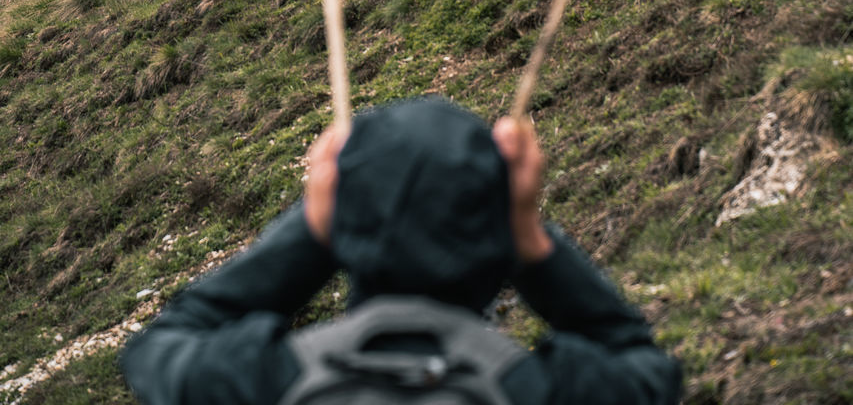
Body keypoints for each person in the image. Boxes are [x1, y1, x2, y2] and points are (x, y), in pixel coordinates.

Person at [121, 96, 682, 404]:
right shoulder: (542, 391)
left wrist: (317, 225)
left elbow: (159, 347)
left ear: (342, 227)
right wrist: (527, 233)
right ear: (498, 237)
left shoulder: (261, 381)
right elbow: (643, 362)